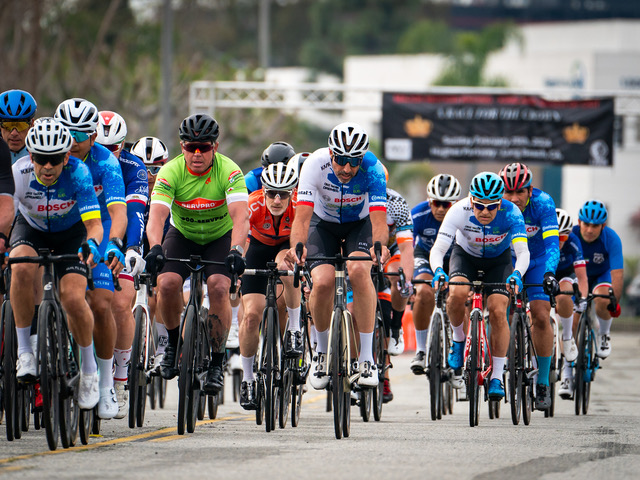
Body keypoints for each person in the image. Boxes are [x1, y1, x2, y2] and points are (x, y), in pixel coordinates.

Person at [145, 113, 249, 395]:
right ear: (182, 148)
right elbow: (156, 217)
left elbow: (241, 217)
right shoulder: (171, 171)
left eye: (204, 147)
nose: (198, 153)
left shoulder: (230, 171)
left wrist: (237, 250)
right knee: (166, 284)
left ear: (215, 147)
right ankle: (175, 344)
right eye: (191, 147)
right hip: (183, 236)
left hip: (220, 237)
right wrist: (155, 247)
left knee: (218, 286)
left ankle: (216, 362)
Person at [283, 122, 389, 390]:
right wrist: (298, 245)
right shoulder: (313, 165)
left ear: (361, 158)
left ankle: (366, 359)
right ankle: (321, 353)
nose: (346, 168)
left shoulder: (374, 169)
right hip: (323, 224)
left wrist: (379, 246)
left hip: (359, 224)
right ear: (331, 154)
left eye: (353, 162)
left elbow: (378, 221)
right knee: (323, 280)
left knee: (358, 270)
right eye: (340, 160)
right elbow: (302, 217)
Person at [11, 118, 103, 410]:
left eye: (54, 160)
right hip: (31, 229)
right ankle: (25, 351)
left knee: (74, 299)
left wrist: (93, 245)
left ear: (66, 157)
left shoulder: (79, 173)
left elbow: (95, 225)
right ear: (30, 155)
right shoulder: (19, 173)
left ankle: (89, 371)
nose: (47, 167)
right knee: (20, 266)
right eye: (40, 159)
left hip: (71, 234)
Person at [55, 98, 128, 419]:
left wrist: (113, 243)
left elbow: (118, 212)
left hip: (98, 228)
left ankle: (105, 383)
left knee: (101, 303)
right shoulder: (50, 156)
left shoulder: (106, 163)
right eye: (66, 133)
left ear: (93, 137)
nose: (72, 142)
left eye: (79, 135)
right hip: (60, 226)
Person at [430, 172, 529, 401]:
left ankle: (496, 376)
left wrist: (517, 273)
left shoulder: (512, 213)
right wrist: (438, 269)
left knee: (497, 310)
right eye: (480, 206)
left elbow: (523, 252)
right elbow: (438, 249)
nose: (485, 212)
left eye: (492, 206)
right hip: (465, 256)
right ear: (471, 200)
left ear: (500, 202)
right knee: (456, 293)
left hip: (499, 261)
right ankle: (458, 339)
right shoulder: (458, 210)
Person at [96, 111, 149, 419]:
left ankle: (121, 378)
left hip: (121, 231)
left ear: (123, 145)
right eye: (103, 146)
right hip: (89, 230)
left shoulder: (133, 167)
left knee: (120, 299)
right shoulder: (79, 162)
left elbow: (136, 211)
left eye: (115, 147)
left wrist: (131, 248)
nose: (109, 153)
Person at [238, 159, 301, 409]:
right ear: (263, 191)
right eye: (272, 194)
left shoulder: (298, 206)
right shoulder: (251, 205)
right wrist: (238, 260)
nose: (277, 200)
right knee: (252, 317)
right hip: (257, 247)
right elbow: (240, 235)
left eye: (283, 195)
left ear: (292, 193)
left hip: (285, 246)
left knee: (286, 267)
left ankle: (294, 330)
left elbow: (308, 234)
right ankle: (248, 379)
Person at [499, 162, 560, 411]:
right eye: (508, 192)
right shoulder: (495, 204)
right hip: (509, 260)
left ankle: (543, 381)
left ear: (530, 190)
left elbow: (553, 245)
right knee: (499, 308)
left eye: (519, 192)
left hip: (537, 261)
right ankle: (500, 359)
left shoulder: (544, 203)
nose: (514, 198)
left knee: (541, 314)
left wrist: (548, 273)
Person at [409, 173, 461, 375]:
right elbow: (407, 243)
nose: (440, 209)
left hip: (454, 257)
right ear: (429, 201)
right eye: (436, 203)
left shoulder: (462, 215)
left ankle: (461, 352)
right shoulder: (419, 214)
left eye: (446, 205)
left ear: (454, 204)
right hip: (426, 255)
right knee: (423, 291)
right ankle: (421, 350)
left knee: (460, 298)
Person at [130, 136, 170, 368]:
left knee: (161, 289)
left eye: (156, 169)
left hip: (160, 244)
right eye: (144, 169)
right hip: (135, 245)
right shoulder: (129, 186)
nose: (149, 176)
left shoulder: (169, 190)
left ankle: (163, 344)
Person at [573, 200, 623, 358]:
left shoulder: (611, 238)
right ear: (579, 221)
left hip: (601, 275)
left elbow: (617, 274)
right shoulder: (571, 235)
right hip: (578, 276)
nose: (589, 230)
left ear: (603, 225)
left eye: (595, 226)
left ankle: (604, 333)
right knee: (571, 323)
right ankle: (567, 374)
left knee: (603, 298)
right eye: (586, 224)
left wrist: (614, 303)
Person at [554, 208, 589, 399]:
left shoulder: (573, 242)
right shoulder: (538, 239)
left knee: (564, 294)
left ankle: (567, 373)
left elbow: (582, 277)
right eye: (555, 236)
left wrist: (582, 298)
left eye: (563, 237)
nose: (560, 241)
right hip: (544, 273)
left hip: (566, 276)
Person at [0, 89, 37, 163]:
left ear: (31, 124)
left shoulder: (40, 154)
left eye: (21, 125)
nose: (14, 133)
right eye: (8, 125)